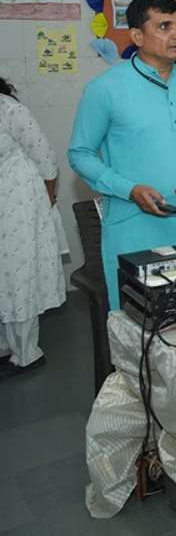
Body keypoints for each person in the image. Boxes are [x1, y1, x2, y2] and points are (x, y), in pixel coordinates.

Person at [68, 0, 176, 309]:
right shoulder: (105, 88)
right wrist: (129, 190)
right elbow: (80, 154)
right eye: (164, 26)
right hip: (136, 226)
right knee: (145, 321)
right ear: (137, 36)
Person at [0, 76, 64, 377]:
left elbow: (46, 158)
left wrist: (47, 200)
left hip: (20, 203)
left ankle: (27, 355)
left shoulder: (9, 109)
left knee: (18, 276)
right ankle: (5, 346)